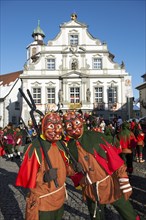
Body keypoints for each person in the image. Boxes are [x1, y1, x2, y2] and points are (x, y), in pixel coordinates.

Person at [63, 111, 142, 220]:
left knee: (127, 212)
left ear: (81, 122)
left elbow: (114, 159)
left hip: (110, 184)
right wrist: (72, 170)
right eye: (69, 126)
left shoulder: (96, 137)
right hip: (91, 189)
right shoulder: (70, 146)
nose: (74, 128)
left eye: (76, 123)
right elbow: (71, 170)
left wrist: (123, 179)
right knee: (96, 216)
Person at [15, 112, 75, 220]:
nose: (56, 130)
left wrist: (74, 168)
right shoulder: (35, 148)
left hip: (59, 199)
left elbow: (65, 169)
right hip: (44, 202)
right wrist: (43, 178)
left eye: (58, 126)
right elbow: (27, 177)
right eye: (51, 126)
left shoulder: (61, 145)